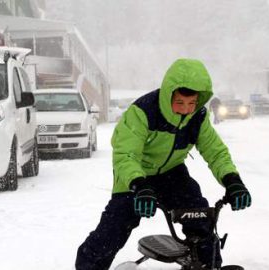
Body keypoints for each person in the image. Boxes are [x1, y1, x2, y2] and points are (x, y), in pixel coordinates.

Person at [75, 59, 252, 270]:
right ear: (169, 95)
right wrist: (139, 186)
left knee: (200, 216)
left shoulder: (197, 118)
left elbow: (216, 152)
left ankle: (208, 265)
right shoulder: (143, 112)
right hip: (136, 176)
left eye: (191, 103)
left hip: (171, 174)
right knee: (114, 227)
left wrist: (232, 181)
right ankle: (89, 266)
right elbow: (126, 155)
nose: (185, 110)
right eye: (179, 103)